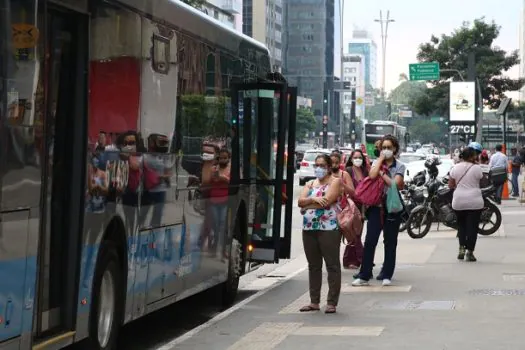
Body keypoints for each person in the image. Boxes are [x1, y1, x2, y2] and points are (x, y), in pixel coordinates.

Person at [352, 135, 405, 287]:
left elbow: (396, 185)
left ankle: (387, 274)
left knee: (390, 242)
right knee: (370, 241)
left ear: (395, 149)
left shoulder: (400, 166)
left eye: (389, 147)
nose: (386, 150)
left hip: (392, 208)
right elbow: (372, 175)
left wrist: (383, 173)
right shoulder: (376, 162)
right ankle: (364, 274)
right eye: (384, 148)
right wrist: (380, 161)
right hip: (376, 207)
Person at [298, 154, 342, 314]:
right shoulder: (310, 183)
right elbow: (299, 202)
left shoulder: (335, 181)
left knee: (332, 265)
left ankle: (331, 302)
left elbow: (329, 201)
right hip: (309, 227)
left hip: (329, 228)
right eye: (316, 165)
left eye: (322, 165)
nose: (318, 168)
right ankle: (314, 301)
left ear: (329, 167)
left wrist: (308, 204)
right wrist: (316, 201)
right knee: (313, 266)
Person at [448, 147, 483, 262]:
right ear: (472, 156)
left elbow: (450, 185)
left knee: (461, 226)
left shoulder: (455, 168)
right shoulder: (477, 168)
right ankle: (470, 252)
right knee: (473, 228)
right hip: (474, 202)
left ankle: (461, 249)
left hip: (459, 201)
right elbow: (481, 181)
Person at [340, 149, 368, 269]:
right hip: (351, 205)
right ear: (351, 159)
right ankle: (359, 258)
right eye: (355, 157)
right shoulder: (348, 171)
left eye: (360, 157)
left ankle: (352, 259)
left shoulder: (365, 171)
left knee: (358, 233)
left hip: (362, 205)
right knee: (353, 233)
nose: (358, 160)